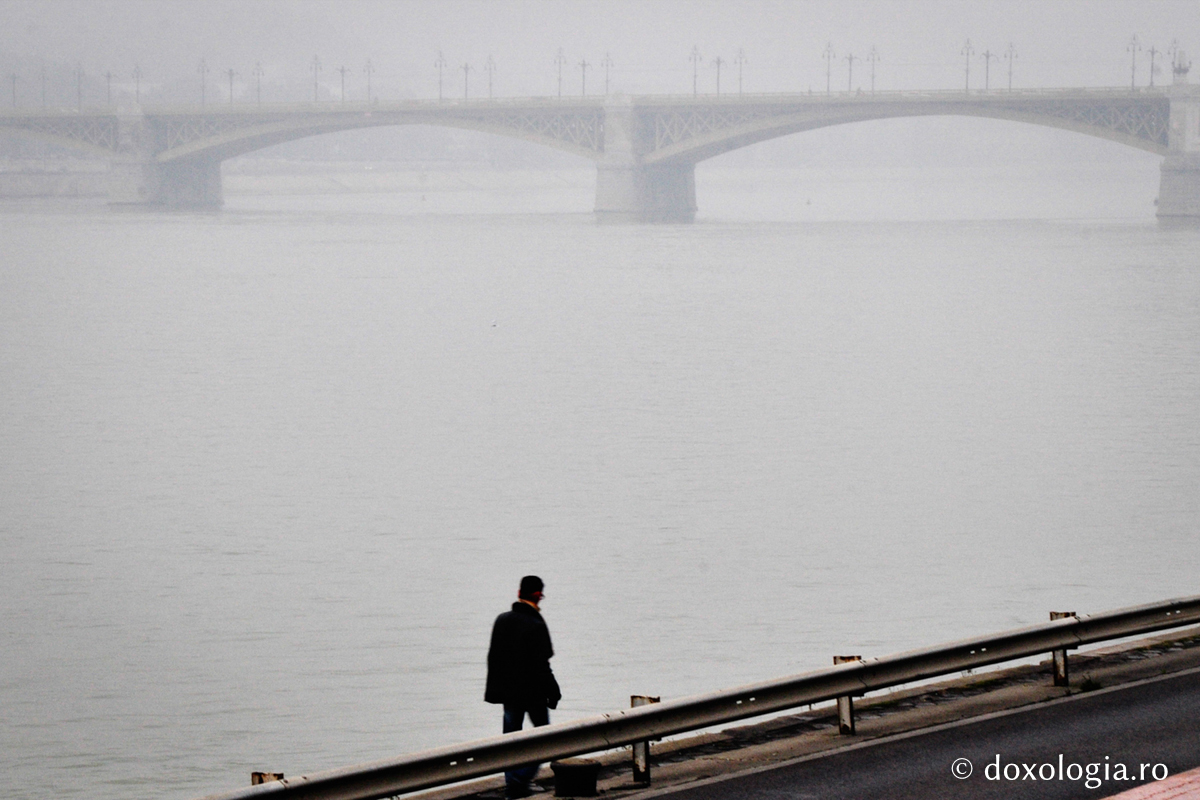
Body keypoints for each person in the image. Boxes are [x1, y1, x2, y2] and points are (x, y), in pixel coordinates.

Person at [485, 575, 561, 798]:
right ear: (538, 595)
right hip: (532, 693)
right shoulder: (536, 624)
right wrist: (553, 691)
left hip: (508, 693)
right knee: (544, 738)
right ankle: (520, 781)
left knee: (510, 739)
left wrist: (497, 690)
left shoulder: (502, 620)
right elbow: (541, 665)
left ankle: (513, 784)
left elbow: (494, 659)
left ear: (519, 593)